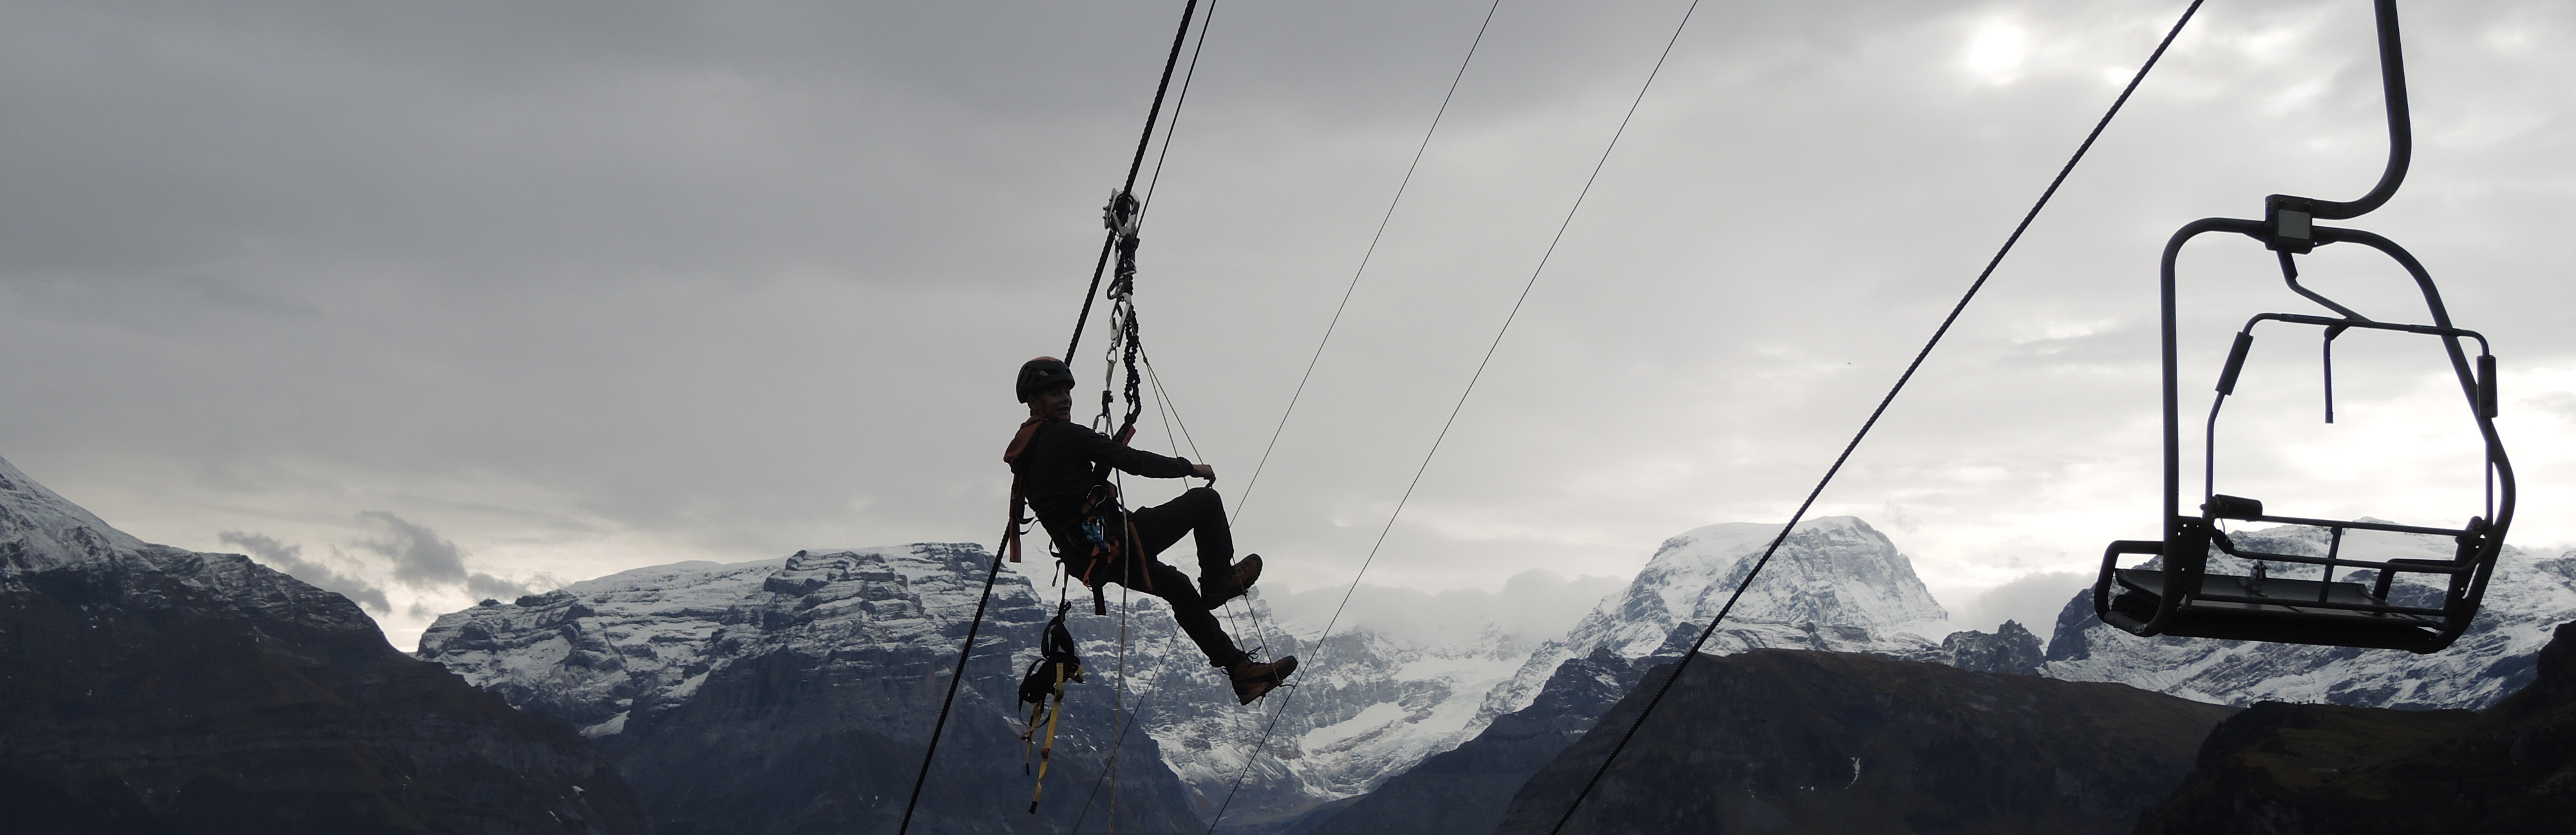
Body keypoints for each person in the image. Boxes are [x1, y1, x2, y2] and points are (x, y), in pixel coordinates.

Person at [1003, 356, 1298, 704]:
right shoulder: (1061, 435)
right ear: (1033, 401)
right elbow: (1134, 462)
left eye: (1066, 391)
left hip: (1095, 559)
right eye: (1054, 393)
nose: (1065, 399)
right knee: (1205, 502)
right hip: (1118, 541)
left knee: (1177, 586)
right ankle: (1218, 580)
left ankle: (1241, 674)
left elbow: (1069, 497)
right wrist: (1189, 468)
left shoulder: (1029, 450)